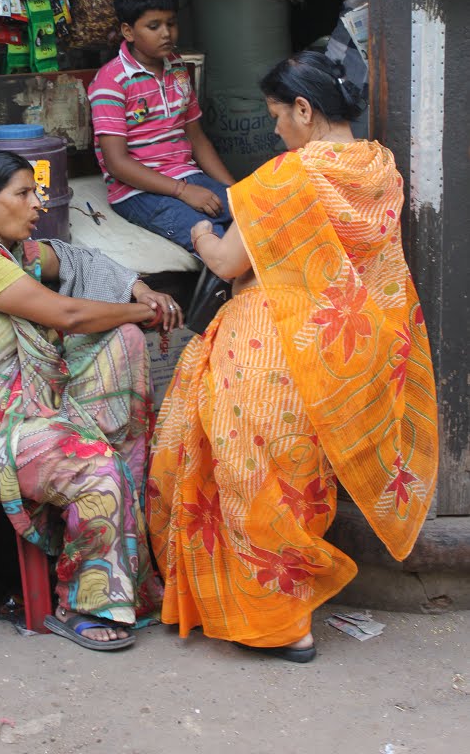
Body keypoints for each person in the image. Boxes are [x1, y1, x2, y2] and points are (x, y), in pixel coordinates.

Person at [147, 51, 438, 662]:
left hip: (268, 349)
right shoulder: (381, 169)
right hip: (335, 356)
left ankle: (281, 624)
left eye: (279, 115)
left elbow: (229, 264)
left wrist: (198, 232)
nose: (276, 128)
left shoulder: (287, 177)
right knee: (298, 485)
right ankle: (286, 607)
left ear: (305, 110)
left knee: (246, 478)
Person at [0, 151, 182, 651]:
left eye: (36, 192)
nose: (36, 204)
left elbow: (79, 259)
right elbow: (68, 315)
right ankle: (82, 605)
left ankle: (125, 574)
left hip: (25, 404)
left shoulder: (15, 254)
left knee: (124, 343)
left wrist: (139, 288)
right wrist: (140, 309)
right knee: (98, 469)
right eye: (22, 193)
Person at [88, 0, 235, 255]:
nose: (166, 33)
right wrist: (182, 191)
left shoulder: (177, 67)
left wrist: (235, 191)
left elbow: (196, 137)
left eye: (171, 23)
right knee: (216, 241)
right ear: (128, 32)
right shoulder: (111, 81)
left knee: (255, 218)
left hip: (187, 176)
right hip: (137, 191)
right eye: (154, 26)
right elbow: (117, 164)